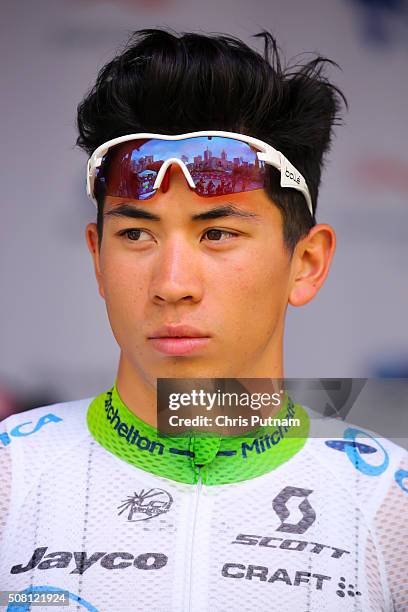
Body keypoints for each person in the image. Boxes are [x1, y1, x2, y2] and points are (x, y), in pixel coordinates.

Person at [1, 27, 407, 612]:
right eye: (136, 233)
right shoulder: (10, 480)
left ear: (307, 263)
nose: (171, 285)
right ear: (97, 256)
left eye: (218, 233)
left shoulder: (390, 508)